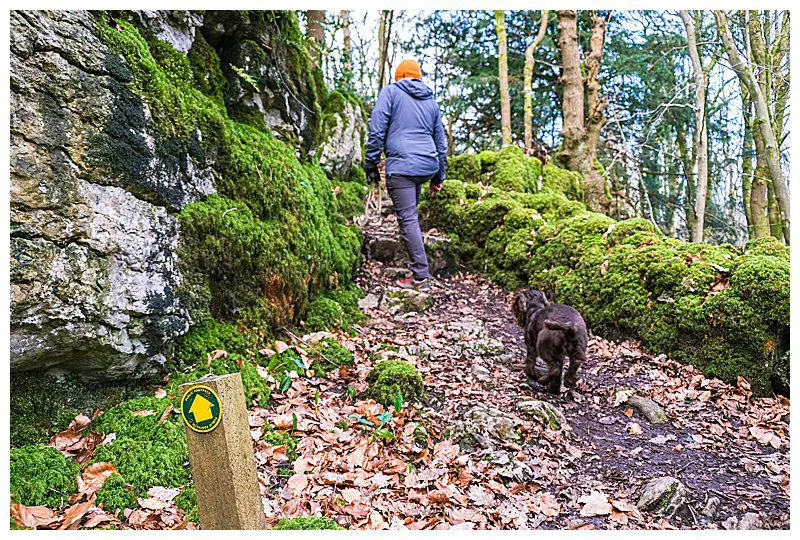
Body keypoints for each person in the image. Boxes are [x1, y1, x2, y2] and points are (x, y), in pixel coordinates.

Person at [364, 58, 448, 293]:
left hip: (401, 166)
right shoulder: (431, 102)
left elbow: (377, 130)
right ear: (418, 78)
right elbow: (441, 143)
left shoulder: (390, 92)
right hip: (426, 166)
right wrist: (439, 176)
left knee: (408, 218)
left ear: (399, 77)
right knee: (410, 215)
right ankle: (417, 268)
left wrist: (370, 164)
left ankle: (421, 276)